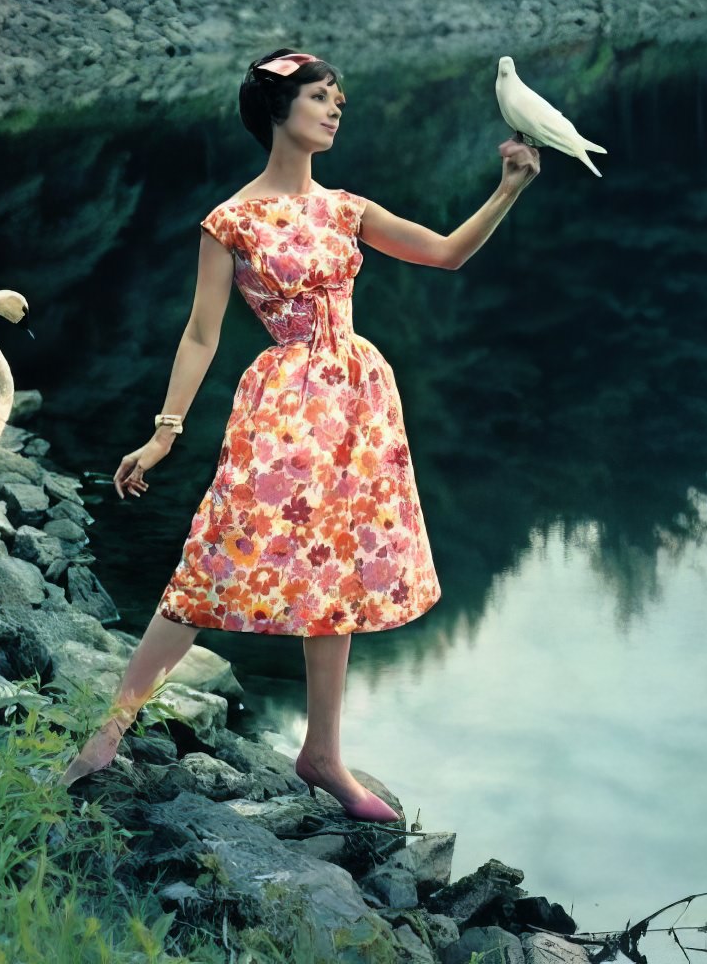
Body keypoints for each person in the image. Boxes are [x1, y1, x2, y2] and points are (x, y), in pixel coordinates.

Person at [58, 47, 540, 816]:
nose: (335, 107)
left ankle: (323, 754)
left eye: (337, 97)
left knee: (338, 570)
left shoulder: (347, 208)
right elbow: (199, 335)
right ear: (278, 112)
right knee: (215, 556)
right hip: (283, 399)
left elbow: (447, 254)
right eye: (320, 96)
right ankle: (109, 732)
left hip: (357, 396)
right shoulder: (232, 220)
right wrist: (165, 431)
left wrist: (508, 188)